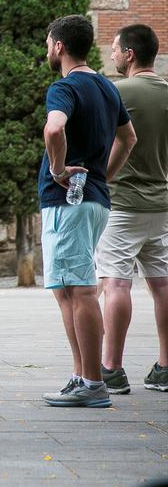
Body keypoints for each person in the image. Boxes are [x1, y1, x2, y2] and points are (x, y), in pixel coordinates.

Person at [39, 15, 136, 409]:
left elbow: (54, 129)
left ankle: (93, 382)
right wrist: (103, 176)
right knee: (67, 290)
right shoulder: (106, 88)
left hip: (69, 203)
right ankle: (82, 376)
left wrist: (57, 169)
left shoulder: (64, 87)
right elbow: (128, 138)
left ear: (59, 46)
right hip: (92, 198)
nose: (47, 50)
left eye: (49, 44)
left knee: (78, 290)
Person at [97, 24, 168, 395]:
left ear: (129, 54)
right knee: (162, 284)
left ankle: (111, 367)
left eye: (114, 49)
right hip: (162, 204)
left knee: (115, 282)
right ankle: (165, 367)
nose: (111, 55)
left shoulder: (116, 92)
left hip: (122, 202)